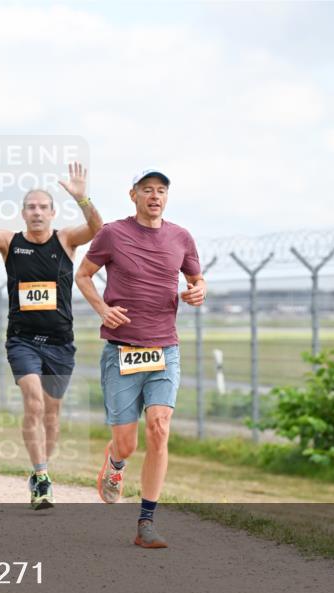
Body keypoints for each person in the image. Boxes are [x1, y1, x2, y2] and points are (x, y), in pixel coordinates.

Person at [0, 160, 103, 510]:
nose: (37, 212)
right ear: (22, 213)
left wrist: (83, 199)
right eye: (31, 207)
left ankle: (40, 470)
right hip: (23, 341)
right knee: (33, 402)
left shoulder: (65, 240)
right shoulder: (10, 243)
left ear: (52, 212)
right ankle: (42, 475)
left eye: (43, 207)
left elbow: (97, 227)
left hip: (61, 344)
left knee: (52, 415)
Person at [75, 168, 206, 548]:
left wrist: (198, 292)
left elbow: (197, 280)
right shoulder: (113, 233)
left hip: (165, 350)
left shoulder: (181, 237)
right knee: (128, 444)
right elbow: (83, 275)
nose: (155, 196)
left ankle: (146, 522)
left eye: (161, 190)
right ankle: (116, 463)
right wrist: (102, 309)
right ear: (132, 195)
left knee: (159, 428)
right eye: (147, 190)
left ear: (167, 197)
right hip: (122, 353)